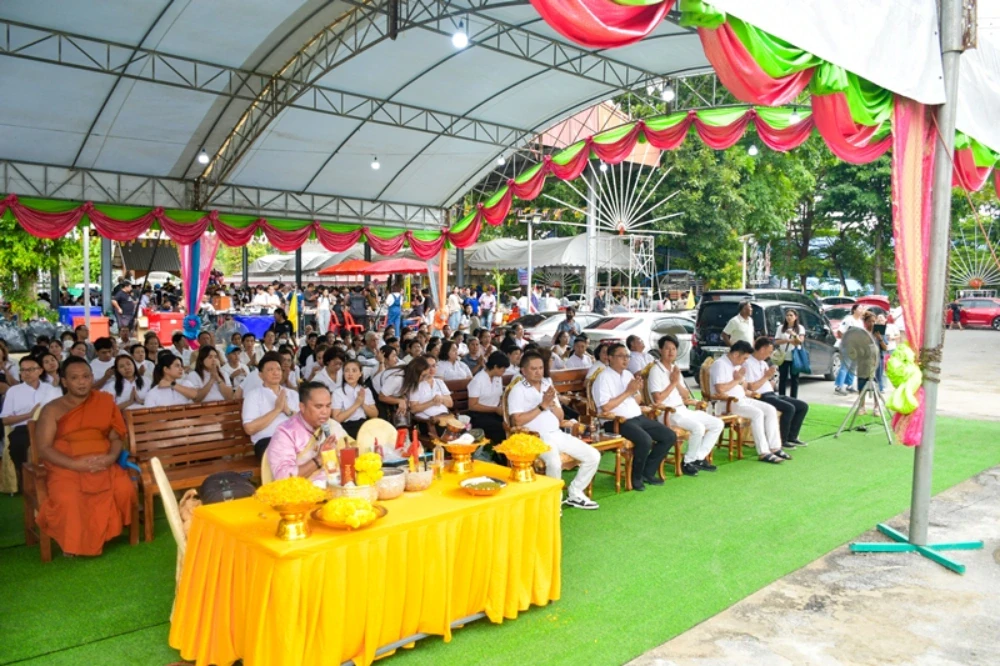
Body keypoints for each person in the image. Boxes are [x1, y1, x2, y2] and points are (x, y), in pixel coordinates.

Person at [34, 357, 137, 556]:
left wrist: (110, 458)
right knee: (67, 498)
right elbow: (44, 448)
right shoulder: (52, 409)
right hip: (66, 465)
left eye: (86, 377)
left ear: (92, 378)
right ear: (64, 381)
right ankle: (74, 542)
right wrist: (74, 464)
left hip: (103, 462)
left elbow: (116, 437)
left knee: (124, 490)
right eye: (75, 378)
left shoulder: (105, 401)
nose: (82, 382)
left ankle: (105, 534)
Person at [509, 352, 600, 509]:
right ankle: (553, 503)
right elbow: (516, 420)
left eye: (541, 368)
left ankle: (575, 492)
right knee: (554, 462)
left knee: (593, 456)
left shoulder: (546, 386)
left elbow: (560, 417)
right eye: (533, 369)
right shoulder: (518, 390)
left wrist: (551, 405)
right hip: (536, 437)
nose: (538, 372)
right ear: (523, 371)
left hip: (557, 433)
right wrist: (542, 406)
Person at [594, 344, 674, 490]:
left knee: (669, 435)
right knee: (645, 440)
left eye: (627, 356)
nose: (625, 359)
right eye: (621, 356)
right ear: (610, 358)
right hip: (616, 421)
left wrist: (635, 391)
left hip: (637, 416)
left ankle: (647, 472)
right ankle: (635, 477)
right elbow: (605, 407)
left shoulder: (628, 375)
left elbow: (638, 400)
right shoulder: (603, 378)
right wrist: (628, 392)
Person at [647, 335, 723, 475]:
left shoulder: (675, 368)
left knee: (717, 424)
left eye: (674, 349)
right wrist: (673, 383)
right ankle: (687, 462)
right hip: (668, 413)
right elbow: (657, 399)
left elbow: (686, 395)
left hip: (682, 409)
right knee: (698, 427)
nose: (671, 352)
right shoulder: (655, 370)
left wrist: (676, 380)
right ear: (660, 350)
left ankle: (698, 458)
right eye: (667, 349)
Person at [709, 341, 788, 464]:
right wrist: (737, 380)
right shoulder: (720, 364)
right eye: (744, 358)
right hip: (728, 402)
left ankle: (775, 447)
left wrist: (742, 383)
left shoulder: (736, 364)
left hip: (742, 399)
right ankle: (763, 452)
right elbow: (720, 389)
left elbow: (744, 385)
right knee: (757, 413)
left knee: (770, 409)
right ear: (735, 354)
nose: (745, 361)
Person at [265, 382, 346, 482]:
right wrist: (319, 459)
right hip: (302, 492)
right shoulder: (286, 432)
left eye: (328, 406)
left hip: (336, 487)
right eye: (319, 407)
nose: (325, 412)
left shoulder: (332, 425)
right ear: (302, 407)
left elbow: (350, 454)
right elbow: (284, 477)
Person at [1, 356, 60, 489]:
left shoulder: (50, 390)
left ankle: (55, 479)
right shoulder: (13, 391)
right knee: (20, 445)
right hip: (22, 429)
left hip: (47, 428)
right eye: (23, 370)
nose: (26, 373)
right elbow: (5, 420)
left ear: (40, 370)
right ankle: (27, 483)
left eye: (31, 369)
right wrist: (29, 415)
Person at [744, 338, 809, 447]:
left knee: (802, 406)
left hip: (771, 393)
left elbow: (765, 381)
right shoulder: (748, 363)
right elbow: (751, 387)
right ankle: (782, 440)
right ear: (762, 349)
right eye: (769, 352)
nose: (769, 355)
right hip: (760, 396)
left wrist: (771, 382)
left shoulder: (763, 363)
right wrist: (766, 376)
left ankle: (792, 436)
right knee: (789, 408)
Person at [242, 352, 300, 459]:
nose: (275, 373)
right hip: (267, 440)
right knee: (284, 456)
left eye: (278, 369)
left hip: (293, 438)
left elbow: (304, 421)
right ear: (261, 375)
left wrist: (288, 411)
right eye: (270, 370)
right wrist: (277, 410)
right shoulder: (253, 395)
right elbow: (249, 429)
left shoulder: (292, 394)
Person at [467, 351, 510, 445]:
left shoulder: (498, 378)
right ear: (495, 366)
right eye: (502, 370)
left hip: (495, 413)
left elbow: (499, 396)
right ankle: (499, 455)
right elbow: (472, 406)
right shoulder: (478, 380)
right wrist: (495, 409)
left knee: (513, 423)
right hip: (479, 415)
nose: (503, 373)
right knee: (501, 428)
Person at [401, 356, 452, 428]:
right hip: (428, 421)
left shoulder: (439, 382)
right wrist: (432, 402)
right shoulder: (417, 383)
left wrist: (441, 398)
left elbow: (450, 403)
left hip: (444, 417)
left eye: (434, 366)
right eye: (428, 366)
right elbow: (413, 409)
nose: (431, 369)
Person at [332, 360, 378, 438]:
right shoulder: (337, 392)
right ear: (343, 374)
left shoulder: (366, 390)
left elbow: (375, 414)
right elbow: (336, 419)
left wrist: (362, 403)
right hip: (345, 428)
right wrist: (356, 404)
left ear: (360, 374)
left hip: (364, 426)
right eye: (347, 371)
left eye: (354, 370)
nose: (350, 374)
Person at [145, 354, 210, 407]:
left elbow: (196, 395)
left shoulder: (185, 383)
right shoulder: (153, 393)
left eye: (181, 366)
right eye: (177, 366)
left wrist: (172, 384)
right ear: (166, 369)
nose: (181, 369)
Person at [834, 303, 865, 395]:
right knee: (845, 365)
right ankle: (839, 386)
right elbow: (840, 332)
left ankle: (849, 384)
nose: (861, 310)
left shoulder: (860, 322)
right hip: (848, 345)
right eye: (859, 308)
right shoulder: (848, 320)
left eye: (862, 309)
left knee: (853, 366)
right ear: (854, 310)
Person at [774, 309, 806, 398]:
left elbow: (800, 341)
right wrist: (788, 340)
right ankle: (782, 397)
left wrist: (794, 334)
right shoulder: (781, 328)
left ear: (796, 317)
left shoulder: (800, 328)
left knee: (794, 379)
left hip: (795, 357)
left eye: (791, 315)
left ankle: (793, 398)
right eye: (787, 315)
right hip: (783, 356)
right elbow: (777, 341)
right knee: (782, 378)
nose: (789, 317)